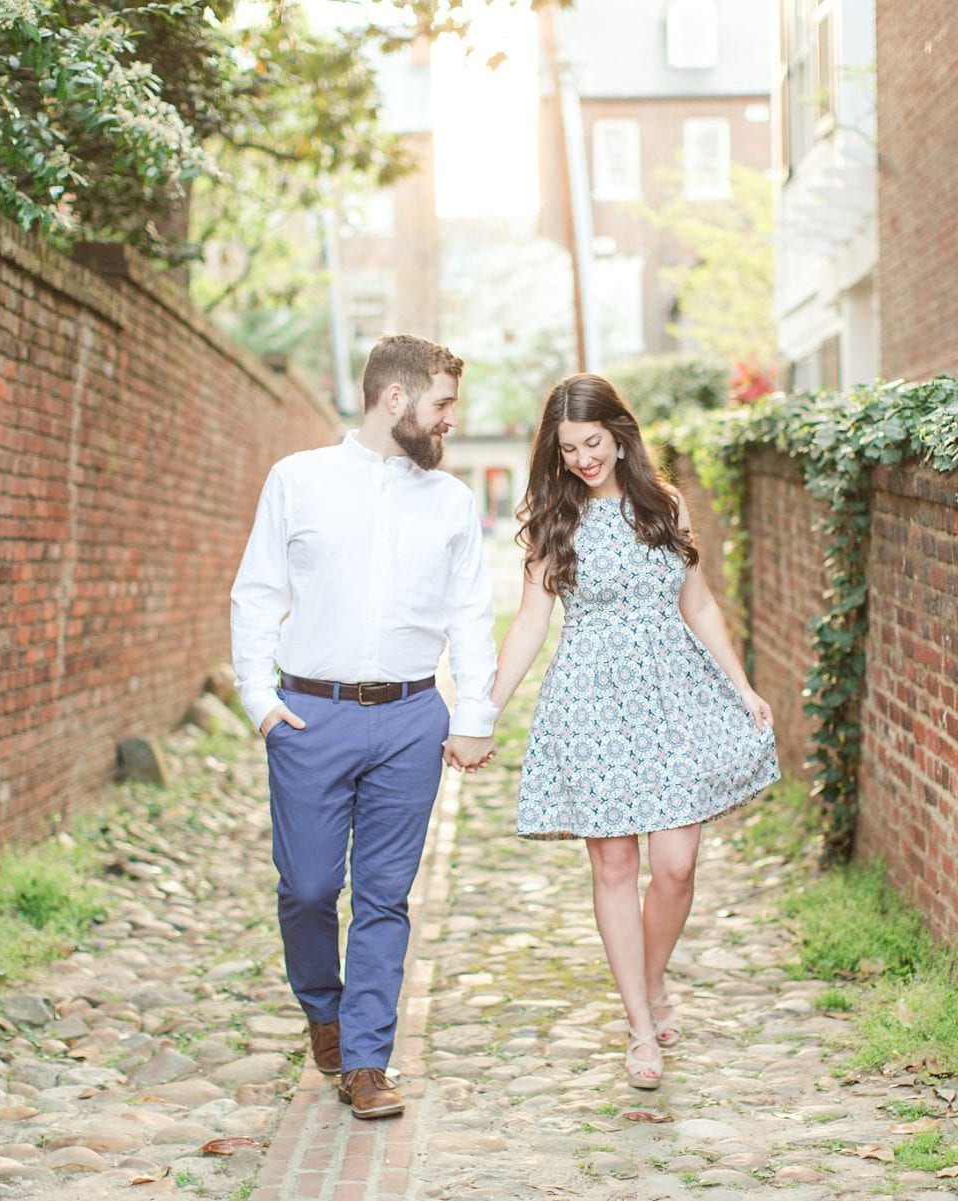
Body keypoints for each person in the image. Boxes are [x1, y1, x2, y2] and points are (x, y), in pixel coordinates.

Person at [230, 334, 498, 1120]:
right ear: (395, 399)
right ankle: (324, 1010)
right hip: (310, 716)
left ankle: (367, 1058)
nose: (451, 418)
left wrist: (473, 712)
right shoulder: (299, 480)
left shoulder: (450, 501)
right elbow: (257, 591)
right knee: (308, 888)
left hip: (414, 717)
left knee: (384, 897)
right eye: (442, 402)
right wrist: (259, 701)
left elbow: (472, 614)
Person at [490, 373, 779, 1089]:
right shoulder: (553, 519)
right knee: (615, 864)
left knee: (677, 863)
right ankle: (641, 1027)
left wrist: (741, 685)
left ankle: (649, 980)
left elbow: (701, 604)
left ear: (621, 434)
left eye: (594, 442)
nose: (585, 459)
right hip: (591, 700)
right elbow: (530, 624)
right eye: (569, 449)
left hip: (673, 695)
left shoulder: (664, 504)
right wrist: (483, 711)